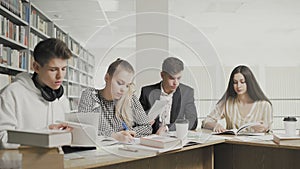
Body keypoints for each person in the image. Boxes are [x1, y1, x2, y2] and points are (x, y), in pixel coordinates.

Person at [0, 38, 73, 148]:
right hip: (23, 163)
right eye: (53, 70)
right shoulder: (11, 94)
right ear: (36, 67)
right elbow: (3, 138)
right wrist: (44, 134)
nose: (60, 76)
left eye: (63, 69)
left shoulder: (62, 99)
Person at [78, 58, 152, 142]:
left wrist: (129, 133)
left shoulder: (130, 98)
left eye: (127, 85)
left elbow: (147, 127)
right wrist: (114, 136)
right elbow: (83, 130)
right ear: (107, 78)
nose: (123, 90)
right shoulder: (90, 96)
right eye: (120, 83)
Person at [202, 65, 273, 133]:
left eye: (242, 82)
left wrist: (264, 128)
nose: (238, 86)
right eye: (235, 82)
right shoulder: (227, 102)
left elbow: (269, 132)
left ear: (249, 83)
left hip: (255, 144)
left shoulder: (265, 105)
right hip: (232, 144)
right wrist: (216, 125)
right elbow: (206, 121)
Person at [139, 57, 198, 134]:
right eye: (172, 78)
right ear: (162, 75)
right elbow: (137, 121)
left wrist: (167, 128)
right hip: (151, 137)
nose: (176, 83)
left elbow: (193, 122)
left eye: (179, 78)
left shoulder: (186, 92)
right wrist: (145, 121)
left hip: (175, 137)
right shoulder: (147, 92)